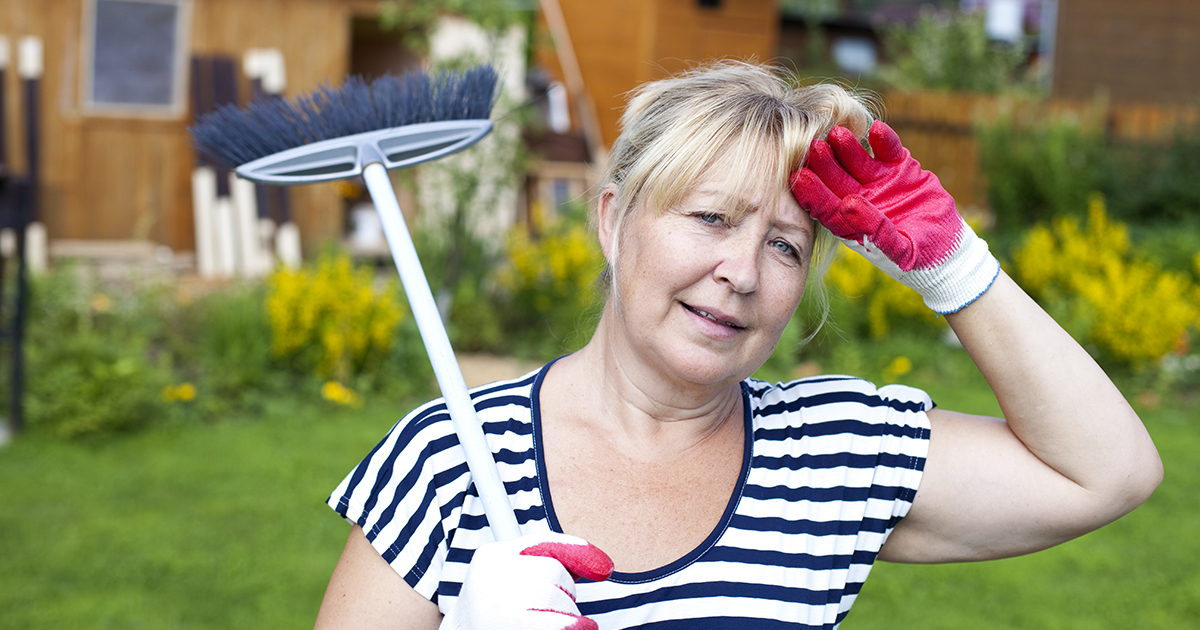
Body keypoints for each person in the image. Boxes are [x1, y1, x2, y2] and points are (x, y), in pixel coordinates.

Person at [313, 61, 1162, 630]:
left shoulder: (831, 452)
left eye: (786, 245)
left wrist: (954, 269)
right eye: (711, 217)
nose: (742, 271)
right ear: (614, 222)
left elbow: (1109, 473)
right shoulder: (450, 460)